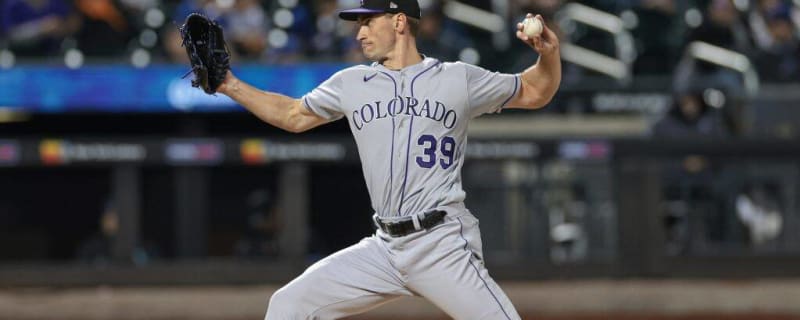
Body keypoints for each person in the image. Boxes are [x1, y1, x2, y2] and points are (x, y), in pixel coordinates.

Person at [213, 0, 561, 317]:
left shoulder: (457, 78)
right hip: (385, 247)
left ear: (398, 22)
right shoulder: (351, 83)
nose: (359, 32)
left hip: (441, 242)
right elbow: (292, 115)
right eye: (358, 24)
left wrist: (548, 55)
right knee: (288, 305)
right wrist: (229, 85)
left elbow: (534, 91)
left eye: (368, 22)